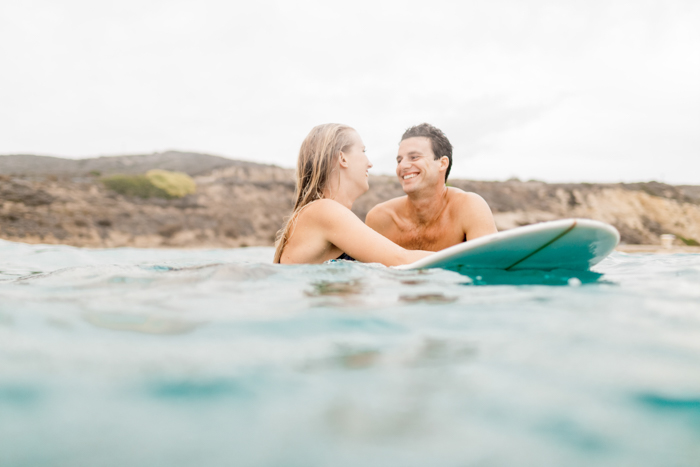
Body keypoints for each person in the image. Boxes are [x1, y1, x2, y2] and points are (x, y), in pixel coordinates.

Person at [274, 124, 433, 266]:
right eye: (363, 151)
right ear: (343, 158)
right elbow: (400, 260)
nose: (369, 163)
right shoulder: (324, 210)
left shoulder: (320, 212)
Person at [366, 123, 497, 251]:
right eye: (399, 160)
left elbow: (491, 268)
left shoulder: (469, 208)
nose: (403, 166)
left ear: (442, 163)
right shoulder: (380, 219)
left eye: (414, 157)